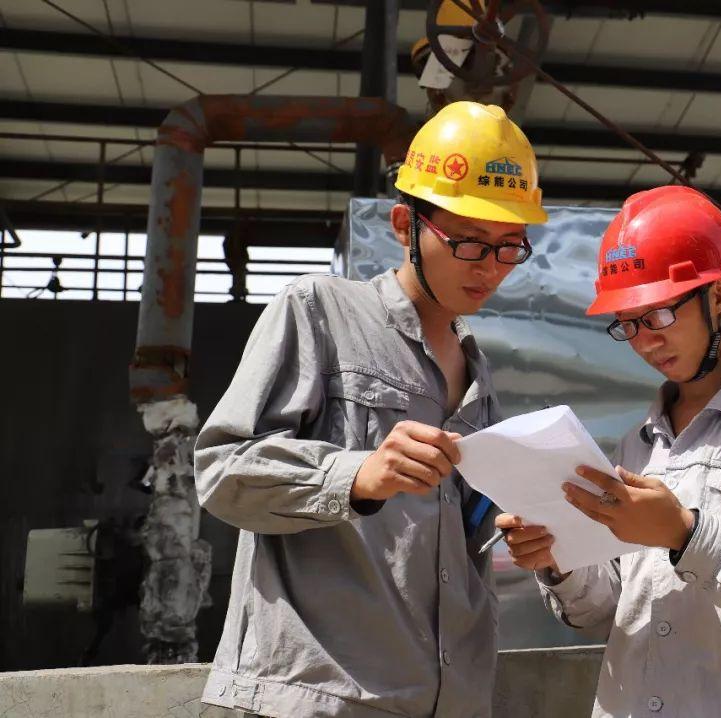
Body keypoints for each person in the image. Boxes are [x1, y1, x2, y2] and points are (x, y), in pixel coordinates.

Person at [195, 101, 548, 718]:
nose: (490, 268)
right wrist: (354, 476)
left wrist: (523, 528)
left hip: (446, 701)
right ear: (404, 224)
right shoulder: (319, 312)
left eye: (509, 246)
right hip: (317, 697)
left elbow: (457, 544)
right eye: (468, 242)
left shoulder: (478, 376)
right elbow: (223, 470)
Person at [496, 185, 721, 717]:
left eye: (660, 315)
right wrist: (560, 561)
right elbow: (609, 612)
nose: (646, 341)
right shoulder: (639, 446)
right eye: (628, 323)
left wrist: (686, 534)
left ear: (720, 295)